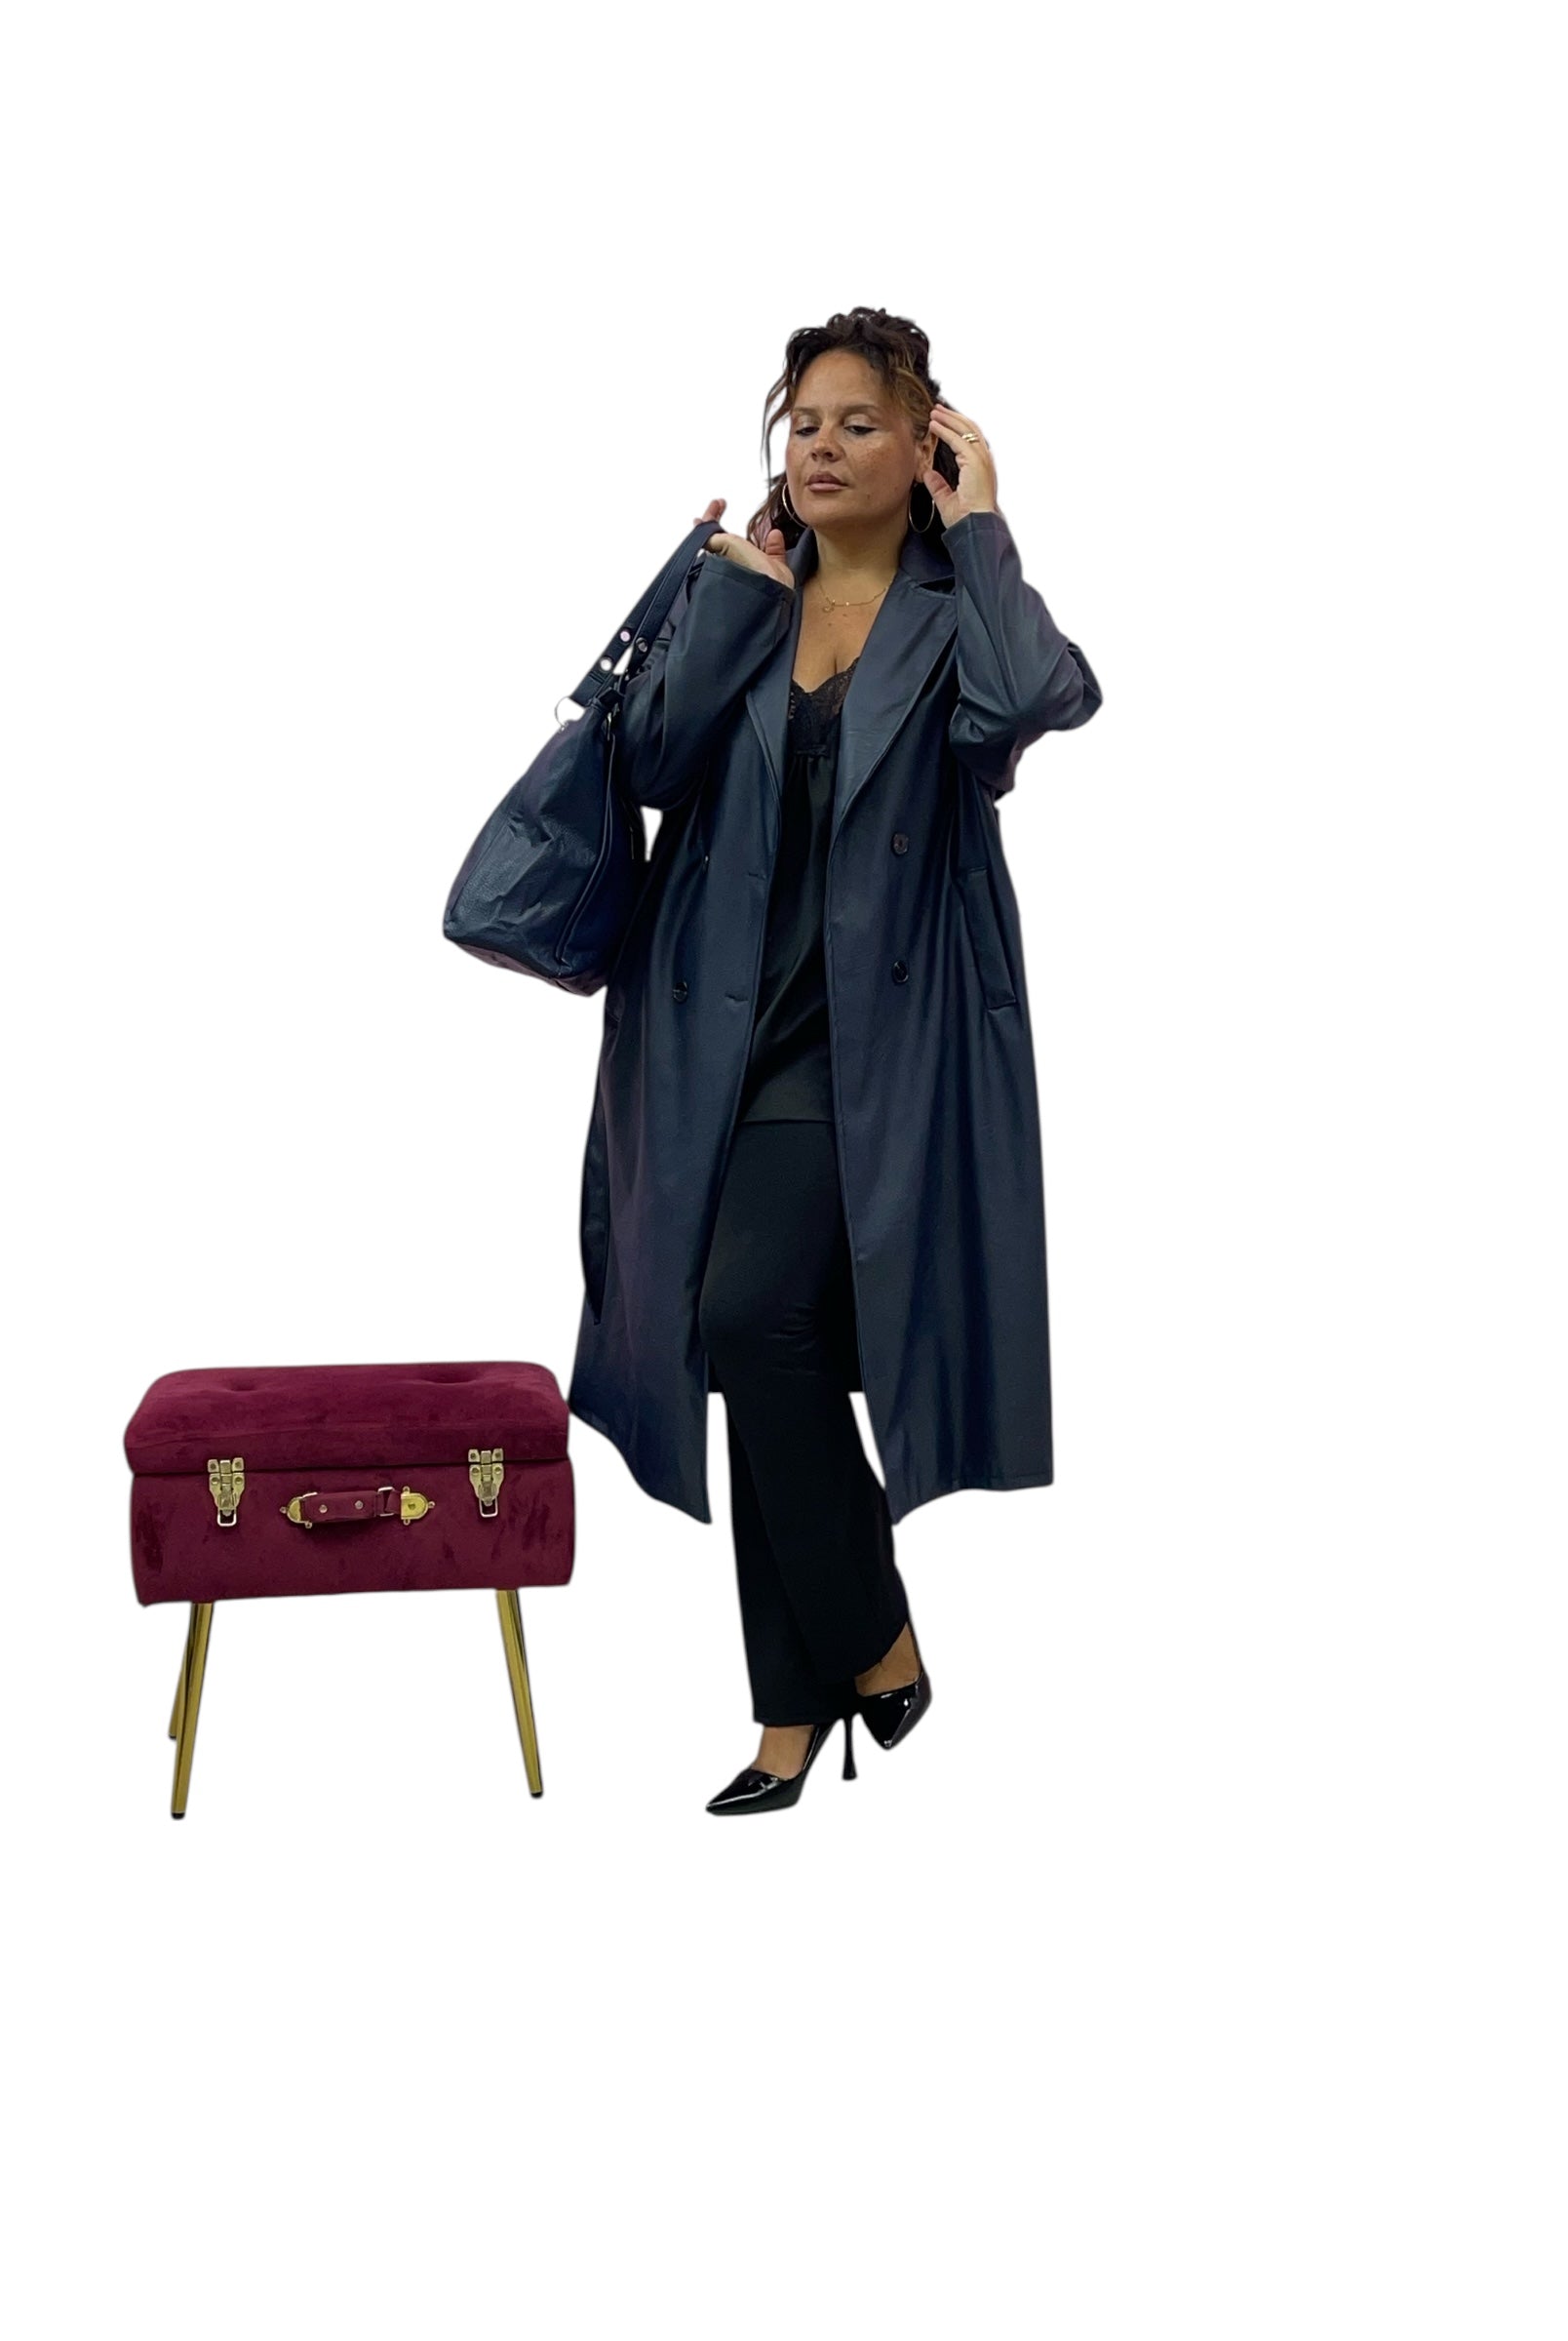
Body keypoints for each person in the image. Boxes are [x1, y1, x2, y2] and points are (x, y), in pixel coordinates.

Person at [565, 306, 1103, 1814]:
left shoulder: (950, 608)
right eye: (804, 420)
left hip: (868, 1046)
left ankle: (872, 1645)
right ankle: (791, 1713)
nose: (819, 446)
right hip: (707, 1042)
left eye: (860, 423)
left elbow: (1031, 701)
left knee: (751, 1318)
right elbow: (645, 761)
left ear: (925, 444)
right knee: (753, 1347)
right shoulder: (748, 585)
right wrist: (722, 597)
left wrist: (982, 531)